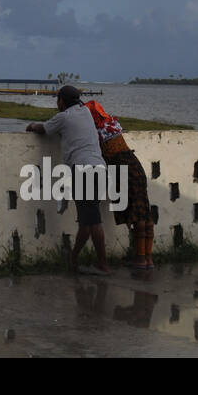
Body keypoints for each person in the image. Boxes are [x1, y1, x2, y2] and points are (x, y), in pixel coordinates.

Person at [25, 85, 111, 274]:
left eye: (58, 100)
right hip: (99, 168)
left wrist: (31, 126)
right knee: (88, 221)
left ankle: (102, 265)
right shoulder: (86, 113)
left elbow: (43, 129)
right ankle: (74, 260)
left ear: (61, 101)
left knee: (93, 222)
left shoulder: (63, 117)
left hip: (83, 170)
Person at [87, 99, 154, 270]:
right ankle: (148, 258)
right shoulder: (113, 123)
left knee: (137, 213)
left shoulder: (95, 130)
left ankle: (140, 259)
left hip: (123, 169)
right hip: (135, 165)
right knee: (144, 212)